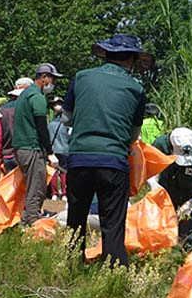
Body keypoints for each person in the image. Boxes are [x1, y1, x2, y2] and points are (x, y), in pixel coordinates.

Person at [63, 34, 151, 267]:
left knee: (76, 217)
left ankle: (72, 265)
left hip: (79, 159)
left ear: (107, 54)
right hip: (113, 162)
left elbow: (66, 118)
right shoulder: (136, 89)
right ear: (131, 59)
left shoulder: (81, 78)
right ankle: (113, 271)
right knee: (112, 222)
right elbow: (133, 135)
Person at [13, 63, 63, 225]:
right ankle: (32, 222)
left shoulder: (25, 95)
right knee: (38, 187)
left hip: (21, 148)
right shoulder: (37, 97)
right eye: (53, 79)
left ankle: (27, 218)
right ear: (44, 78)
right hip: (32, 148)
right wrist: (50, 153)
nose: (53, 83)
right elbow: (42, 127)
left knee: (32, 186)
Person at [150, 127, 192, 244]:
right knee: (161, 231)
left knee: (186, 236)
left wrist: (191, 204)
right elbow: (148, 168)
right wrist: (154, 184)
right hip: (166, 191)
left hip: (191, 195)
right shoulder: (160, 145)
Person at [0, 77, 33, 175]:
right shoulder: (30, 109)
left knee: (10, 188)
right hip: (26, 155)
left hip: (6, 155)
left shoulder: (1, 111)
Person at [47, 97, 70, 201]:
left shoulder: (50, 123)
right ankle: (65, 194)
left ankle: (54, 194)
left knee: (54, 172)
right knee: (64, 172)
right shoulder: (67, 123)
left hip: (53, 151)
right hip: (65, 150)